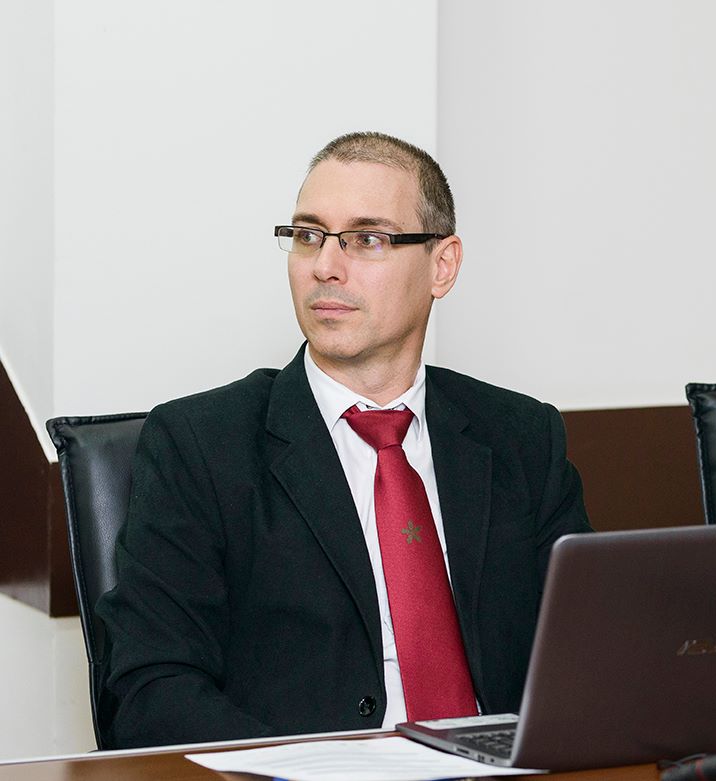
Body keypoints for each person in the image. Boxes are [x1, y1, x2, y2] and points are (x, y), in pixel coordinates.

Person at [98, 132, 591, 748]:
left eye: (367, 239)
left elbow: (589, 653)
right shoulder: (199, 445)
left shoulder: (522, 436)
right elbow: (150, 691)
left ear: (442, 265)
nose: (325, 266)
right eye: (309, 236)